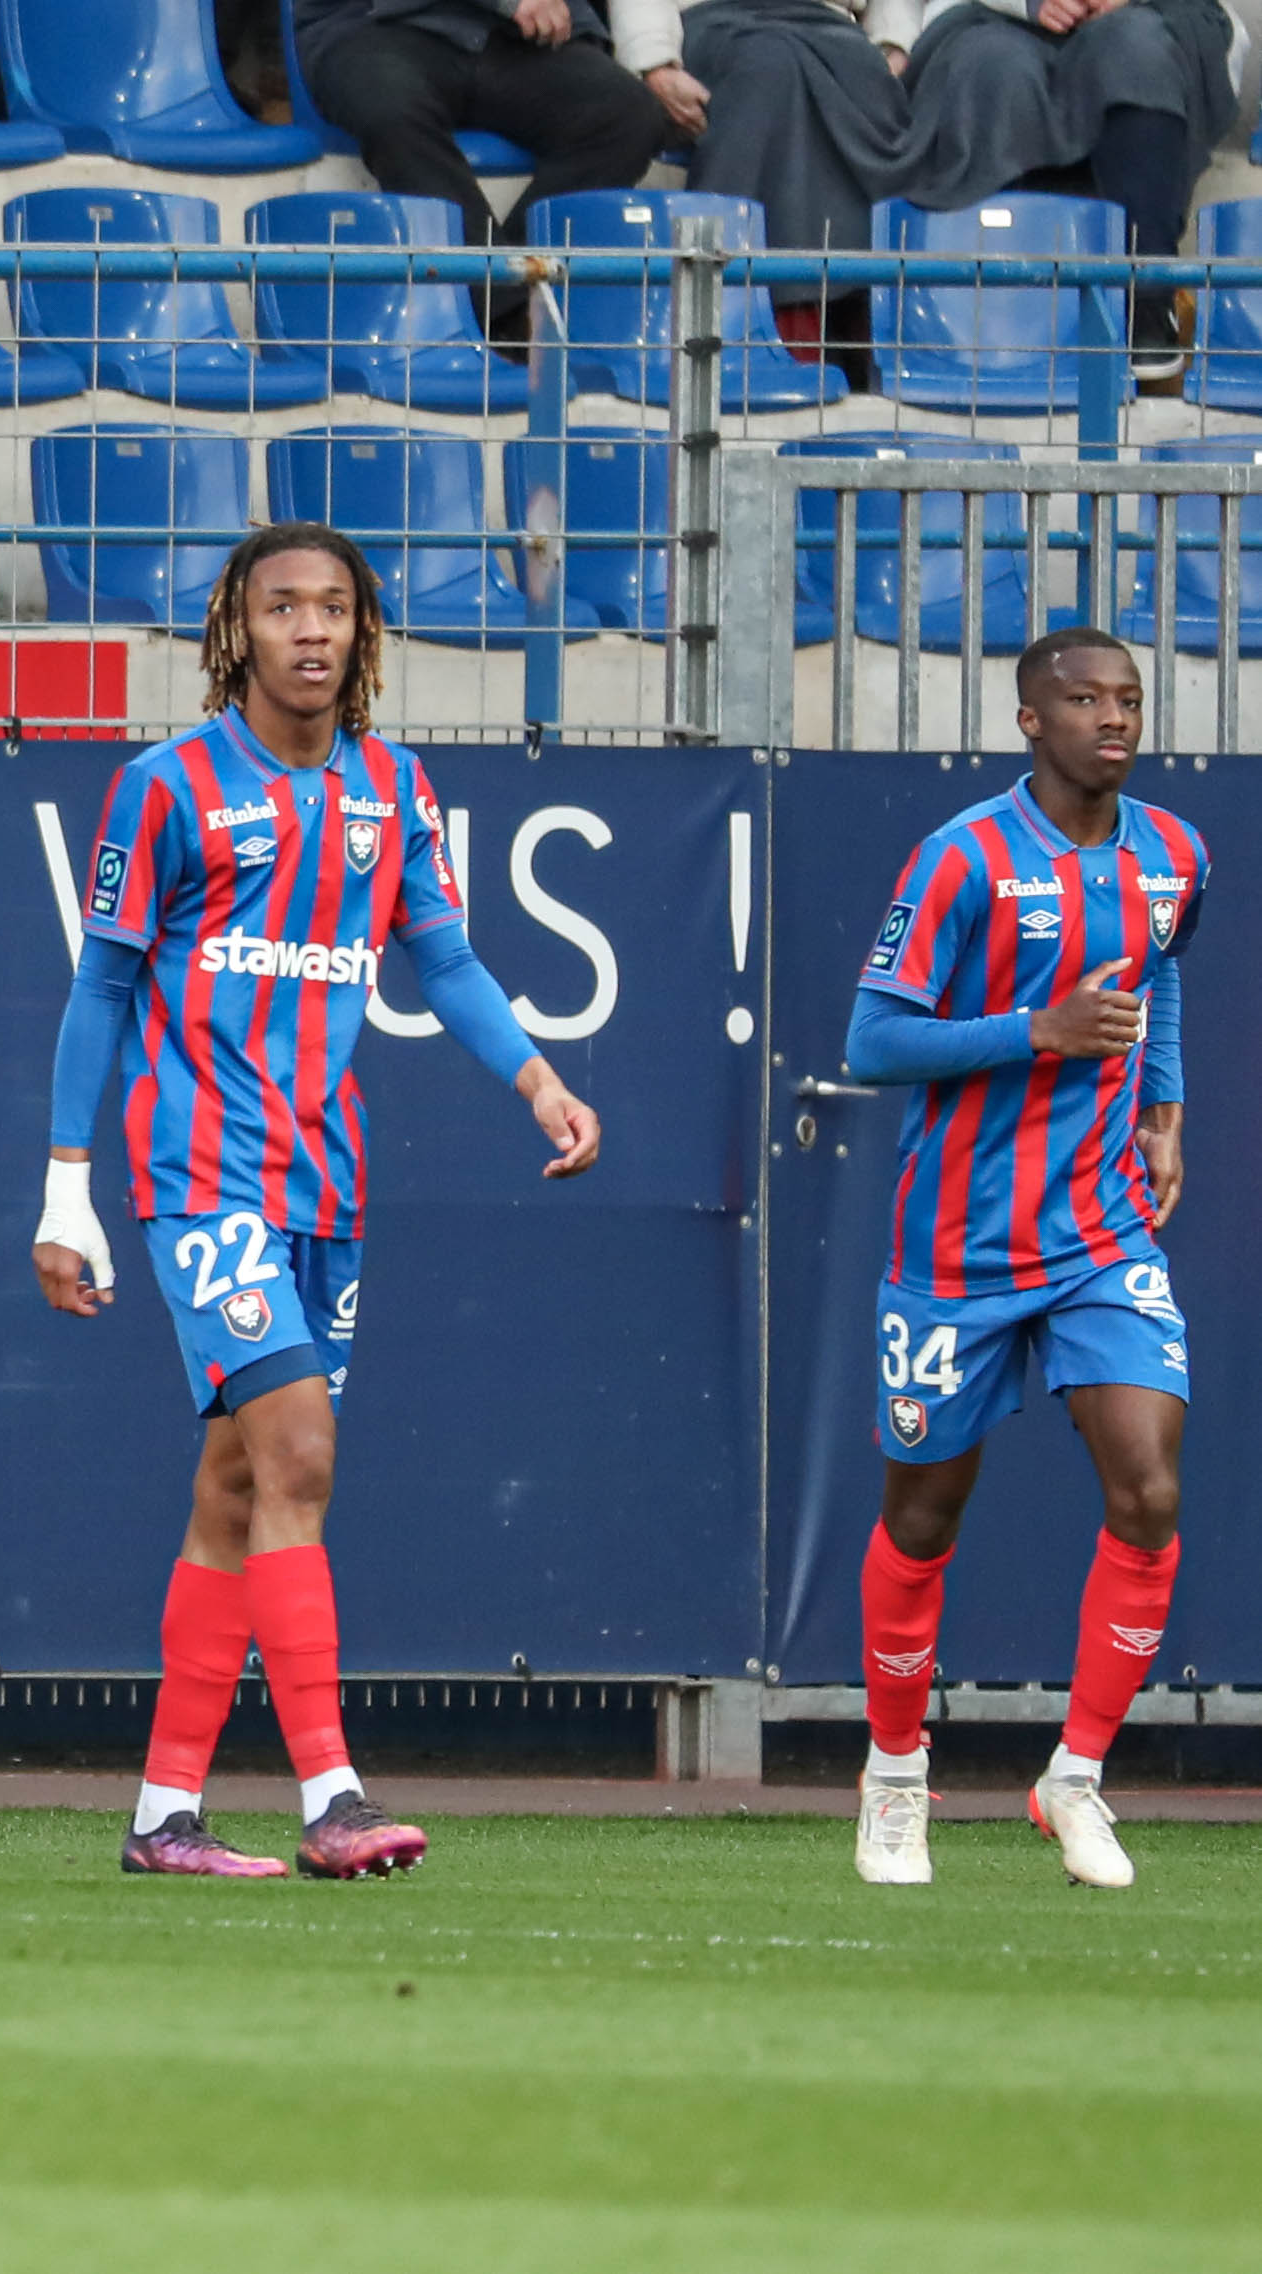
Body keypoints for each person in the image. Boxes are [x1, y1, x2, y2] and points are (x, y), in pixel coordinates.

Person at [34, 522, 602, 1881]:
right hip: (195, 1174)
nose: (309, 629)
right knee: (295, 1457)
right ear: (234, 625)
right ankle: (328, 1794)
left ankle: (162, 1813)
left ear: (361, 633)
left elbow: (446, 961)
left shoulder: (390, 790)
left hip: (322, 1180)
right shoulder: (163, 787)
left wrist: (536, 1083)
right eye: (281, 605)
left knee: (234, 1484)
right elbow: (99, 990)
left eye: (333, 607)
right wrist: (66, 1192)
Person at [839, 628, 1202, 1891]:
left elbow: (1159, 982)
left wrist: (1162, 1104)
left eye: (1130, 700)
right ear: (1028, 719)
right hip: (959, 1247)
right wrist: (1033, 1032)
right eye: (1085, 699)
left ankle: (1076, 1776)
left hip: (1101, 1232)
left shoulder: (1173, 854)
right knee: (924, 1516)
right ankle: (894, 1774)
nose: (1114, 718)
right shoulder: (963, 860)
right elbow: (874, 1040)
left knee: (1148, 1488)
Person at [895, 0, 1242, 380]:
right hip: (995, 15)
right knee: (993, 66)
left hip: (1150, 15)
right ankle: (1004, 316)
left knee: (1136, 50)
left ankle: (1148, 299)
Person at [289, 0, 676, 340]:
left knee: (629, 116)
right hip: (370, 26)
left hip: (511, 37)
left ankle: (523, 288)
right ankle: (504, 310)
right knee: (390, 111)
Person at [609, 0, 916, 329]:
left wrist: (894, 43)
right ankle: (737, 316)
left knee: (866, 75)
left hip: (831, 29)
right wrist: (654, 62)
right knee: (769, 64)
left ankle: (864, 317)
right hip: (717, 25)